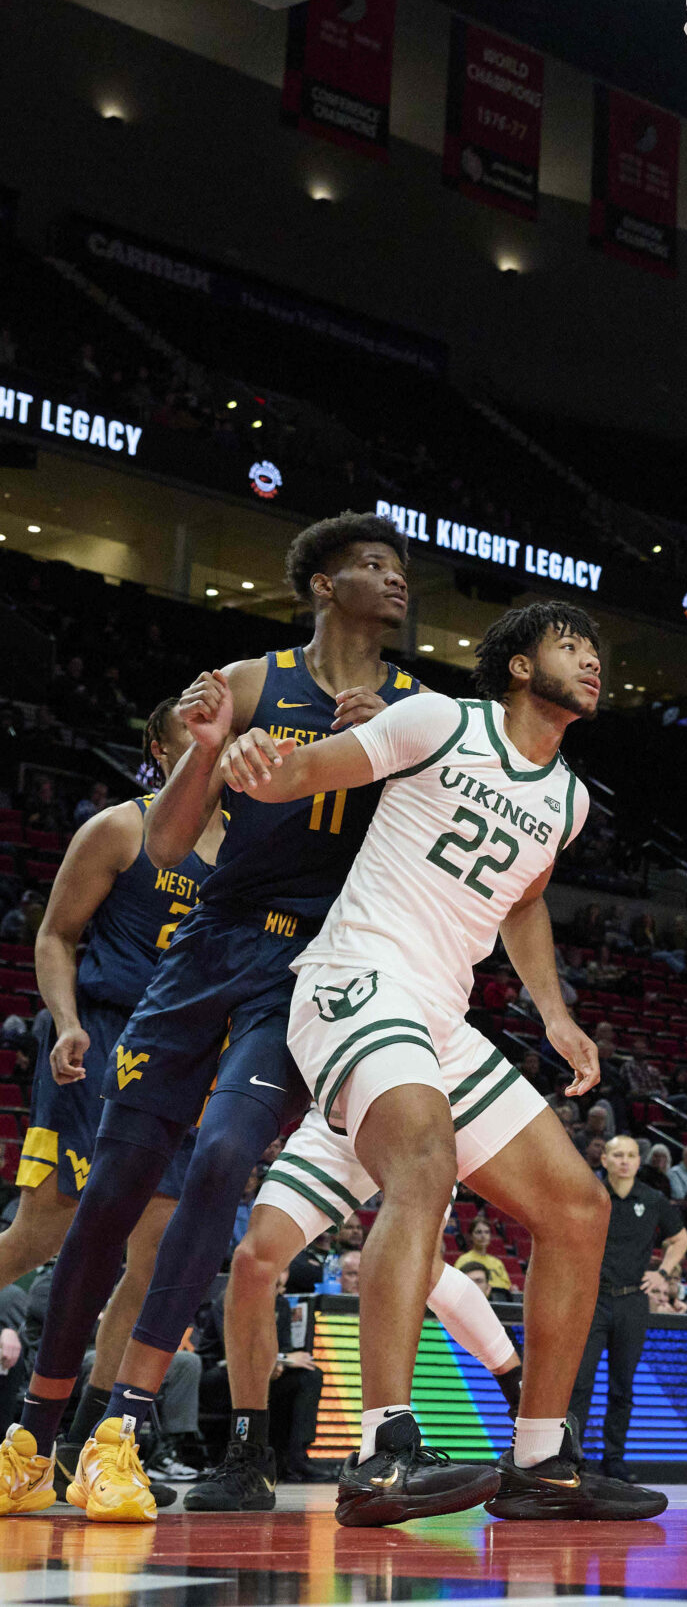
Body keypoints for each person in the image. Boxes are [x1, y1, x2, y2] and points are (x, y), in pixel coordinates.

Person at [4, 513, 427, 1525]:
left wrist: (386, 760)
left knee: (227, 1158)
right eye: (371, 563)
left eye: (400, 566)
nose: (395, 579)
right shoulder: (246, 682)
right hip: (207, 945)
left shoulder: (415, 712)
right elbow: (166, 841)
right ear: (321, 585)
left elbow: (425, 854)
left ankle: (123, 1427)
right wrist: (201, 752)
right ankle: (35, 1432)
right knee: (107, 1198)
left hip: (308, 965)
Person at [214, 599, 657, 1525]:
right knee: (422, 1161)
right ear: (522, 667)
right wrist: (247, 761)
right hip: (356, 975)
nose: (592, 659)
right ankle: (382, 1451)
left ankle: (540, 1459)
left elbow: (523, 903)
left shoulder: (569, 800)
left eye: (596, 647)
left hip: (440, 1014)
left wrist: (555, 1013)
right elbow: (304, 772)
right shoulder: (440, 719)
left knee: (579, 1208)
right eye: (571, 644)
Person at [0, 703, 219, 1511]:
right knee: (42, 1236)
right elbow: (56, 934)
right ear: (159, 750)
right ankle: (51, 1433)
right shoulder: (119, 830)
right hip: (98, 1042)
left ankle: (96, 1439)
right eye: (196, 734)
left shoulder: (248, 851)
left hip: (184, 1058)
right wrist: (60, 1023)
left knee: (153, 1257)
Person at [186, 1105, 532, 1510]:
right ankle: (250, 1458)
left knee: (420, 1266)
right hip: (336, 1114)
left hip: (414, 1109)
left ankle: (518, 1401)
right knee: (252, 1260)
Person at [574, 1136, 687, 1482]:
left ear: (639, 1162)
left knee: (622, 1384)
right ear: (604, 1159)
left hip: (632, 1301)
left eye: (631, 1156)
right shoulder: (589, 1193)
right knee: (580, 1382)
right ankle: (572, 1456)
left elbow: (680, 1239)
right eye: (617, 1155)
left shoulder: (652, 1200)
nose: (624, 1161)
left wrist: (663, 1273)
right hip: (593, 1298)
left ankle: (615, 1457)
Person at [455, 1218, 515, 1293]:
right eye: (478, 1232)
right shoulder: (463, 1260)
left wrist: (513, 1288)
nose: (483, 1236)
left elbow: (508, 1286)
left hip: (501, 1299)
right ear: (471, 1236)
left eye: (487, 1232)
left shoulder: (497, 1262)